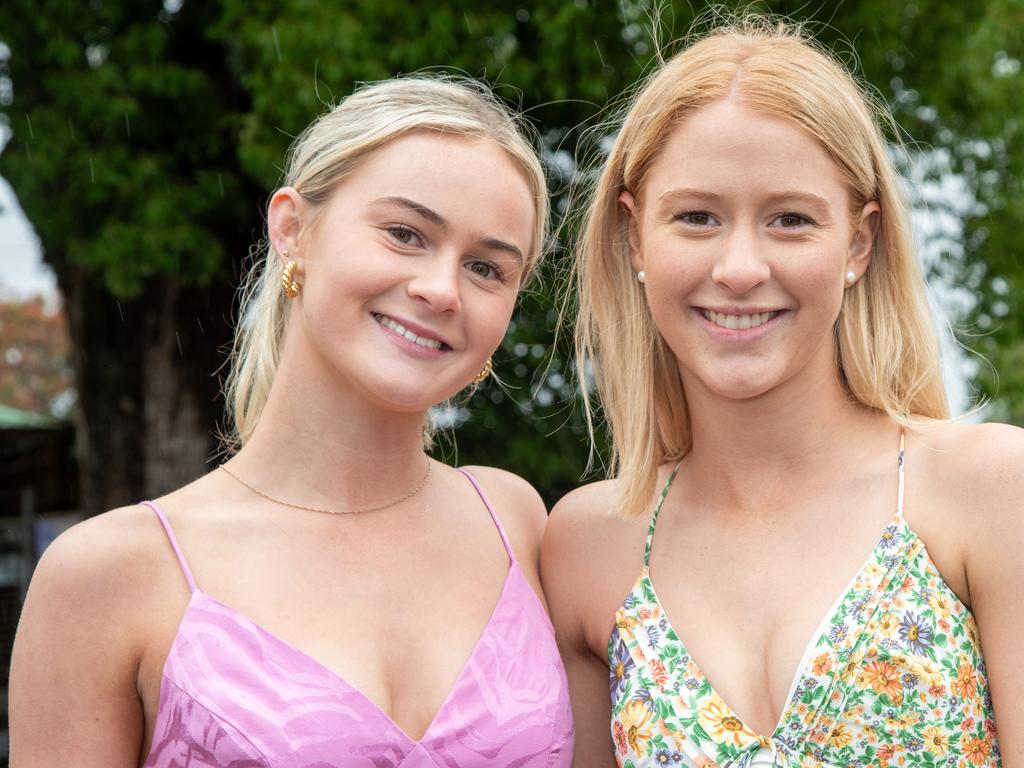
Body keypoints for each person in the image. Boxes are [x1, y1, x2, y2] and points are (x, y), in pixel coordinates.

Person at [11, 74, 573, 766]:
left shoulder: (515, 520)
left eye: (487, 268)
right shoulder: (110, 575)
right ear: (293, 229)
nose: (440, 289)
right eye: (405, 234)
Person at [543, 17, 1022, 768]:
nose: (739, 267)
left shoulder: (989, 489)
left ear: (858, 244)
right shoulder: (585, 548)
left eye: (790, 220)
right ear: (637, 238)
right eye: (696, 217)